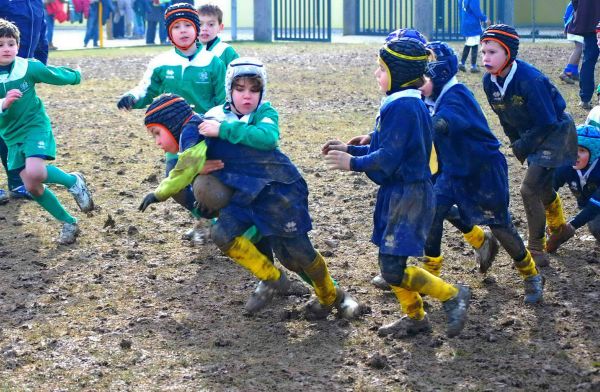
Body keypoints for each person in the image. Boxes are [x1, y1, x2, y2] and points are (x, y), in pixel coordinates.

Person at [141, 58, 360, 318]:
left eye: (254, 90)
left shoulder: (262, 114)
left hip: (278, 194)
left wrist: (222, 131)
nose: (247, 96)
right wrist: (198, 172)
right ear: (229, 90)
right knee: (223, 234)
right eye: (240, 89)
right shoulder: (210, 118)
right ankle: (272, 279)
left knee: (295, 254)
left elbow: (267, 139)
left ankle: (334, 294)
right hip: (244, 200)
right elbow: (186, 167)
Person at [323, 38, 470, 338]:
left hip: (410, 196)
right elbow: (386, 149)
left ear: (399, 73)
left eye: (381, 68)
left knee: (391, 267)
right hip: (399, 193)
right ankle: (415, 318)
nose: (376, 74)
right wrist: (352, 149)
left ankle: (453, 295)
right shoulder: (402, 101)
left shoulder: (404, 106)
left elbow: (388, 158)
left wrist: (352, 162)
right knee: (390, 264)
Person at [349, 28, 499, 291]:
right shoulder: (404, 93)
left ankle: (430, 275)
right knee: (434, 208)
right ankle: (478, 240)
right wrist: (373, 137)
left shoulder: (417, 92)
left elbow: (421, 128)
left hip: (430, 161)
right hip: (422, 159)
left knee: (431, 210)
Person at [419, 41, 543, 303]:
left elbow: (440, 124)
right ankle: (431, 277)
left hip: (483, 170)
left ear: (438, 75)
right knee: (432, 213)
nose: (416, 84)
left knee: (499, 225)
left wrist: (420, 129)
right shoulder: (427, 97)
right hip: (452, 171)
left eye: (421, 77)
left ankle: (530, 274)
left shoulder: (457, 95)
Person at [118, 2, 225, 241]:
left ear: (197, 29)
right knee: (174, 182)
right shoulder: (161, 63)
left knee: (206, 185)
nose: (183, 30)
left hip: (205, 137)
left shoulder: (213, 62)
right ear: (169, 33)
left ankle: (220, 223)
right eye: (177, 26)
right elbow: (145, 90)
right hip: (174, 141)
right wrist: (131, 98)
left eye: (188, 24)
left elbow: (223, 101)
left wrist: (212, 124)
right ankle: (206, 221)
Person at [480, 24, 578, 267]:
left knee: (528, 189)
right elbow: (505, 119)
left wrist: (523, 144)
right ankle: (560, 229)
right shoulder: (489, 82)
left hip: (555, 133)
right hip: (532, 135)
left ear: (509, 54)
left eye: (492, 52)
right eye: (483, 52)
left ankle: (536, 249)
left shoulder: (530, 79)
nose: (486, 58)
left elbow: (547, 121)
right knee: (542, 188)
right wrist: (516, 143)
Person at [0, 18, 94, 244]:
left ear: (18, 46)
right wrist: (3, 102)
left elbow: (53, 74)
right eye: (0, 44)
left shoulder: (27, 67)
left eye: (11, 43)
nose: (6, 48)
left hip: (34, 126)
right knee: (32, 186)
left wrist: (76, 76)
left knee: (36, 172)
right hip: (11, 136)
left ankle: (73, 181)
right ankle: (69, 222)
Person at [0, 0, 49, 203]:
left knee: (14, 129)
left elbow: (41, 37)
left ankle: (17, 183)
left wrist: (39, 69)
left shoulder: (35, 3)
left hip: (20, 76)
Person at [547, 125, 600, 252]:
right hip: (589, 205)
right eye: (573, 148)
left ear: (594, 153)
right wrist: (553, 223)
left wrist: (570, 227)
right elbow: (548, 190)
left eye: (582, 150)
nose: (575, 154)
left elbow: (595, 205)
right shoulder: (565, 165)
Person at [567, 0, 600, 109]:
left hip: (589, 22)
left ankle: (585, 98)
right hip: (592, 21)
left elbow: (575, 2)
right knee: (588, 62)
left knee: (588, 61)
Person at [197, 3, 238, 68]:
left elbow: (238, 75)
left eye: (211, 24)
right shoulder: (190, 50)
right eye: (200, 24)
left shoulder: (226, 51)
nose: (204, 29)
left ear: (220, 27)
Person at [458, 0, 489, 73]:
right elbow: (476, 9)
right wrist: (484, 18)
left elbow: (460, 10)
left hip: (465, 22)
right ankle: (472, 66)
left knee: (469, 43)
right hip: (473, 24)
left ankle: (462, 63)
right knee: (474, 45)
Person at [559, 1, 583, 84]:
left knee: (580, 47)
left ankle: (574, 72)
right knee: (579, 47)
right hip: (576, 25)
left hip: (574, 25)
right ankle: (566, 72)